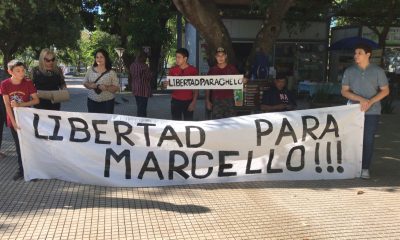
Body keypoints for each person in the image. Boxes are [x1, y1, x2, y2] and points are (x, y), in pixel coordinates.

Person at [341, 43, 389, 179]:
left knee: (368, 140)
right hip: (352, 111)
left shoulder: (378, 71)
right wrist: (361, 99)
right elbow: (344, 91)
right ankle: (350, 166)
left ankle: (365, 168)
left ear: (368, 54)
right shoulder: (349, 71)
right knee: (351, 139)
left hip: (372, 112)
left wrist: (370, 102)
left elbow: (385, 90)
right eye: (355, 53)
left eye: (359, 53)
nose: (356, 55)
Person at [1, 60, 39, 180]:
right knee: (18, 146)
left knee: (29, 145)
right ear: (10, 71)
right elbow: (7, 105)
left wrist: (21, 104)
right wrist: (12, 122)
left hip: (26, 118)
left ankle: (32, 170)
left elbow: (36, 100)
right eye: (18, 71)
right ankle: (21, 170)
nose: (21, 73)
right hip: (13, 119)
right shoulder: (4, 84)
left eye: (23, 70)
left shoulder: (28, 83)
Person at [205, 47, 239, 119]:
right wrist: (207, 101)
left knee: (231, 123)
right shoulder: (212, 70)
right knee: (217, 124)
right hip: (216, 100)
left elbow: (238, 82)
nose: (220, 58)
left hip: (230, 100)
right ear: (215, 57)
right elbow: (207, 86)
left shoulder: (232, 68)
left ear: (226, 56)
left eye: (222, 55)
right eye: (218, 55)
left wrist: (243, 80)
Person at [83, 49, 119, 114]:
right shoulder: (90, 70)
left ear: (106, 58)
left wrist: (107, 88)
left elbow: (116, 88)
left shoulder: (112, 72)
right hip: (92, 102)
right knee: (93, 122)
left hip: (107, 103)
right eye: (97, 57)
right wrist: (90, 85)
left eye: (101, 57)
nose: (99, 59)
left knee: (106, 123)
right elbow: (84, 82)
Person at [166, 48, 198, 121]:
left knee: (188, 123)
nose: (177, 59)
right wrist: (166, 85)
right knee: (176, 124)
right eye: (176, 57)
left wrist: (194, 102)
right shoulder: (172, 70)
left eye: (179, 57)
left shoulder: (193, 70)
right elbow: (169, 86)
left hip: (189, 101)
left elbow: (196, 88)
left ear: (185, 58)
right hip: (175, 101)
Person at [130, 51, 152, 117]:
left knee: (139, 106)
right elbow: (148, 77)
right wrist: (151, 74)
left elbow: (131, 76)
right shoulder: (144, 66)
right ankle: (142, 122)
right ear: (141, 57)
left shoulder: (132, 65)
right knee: (142, 108)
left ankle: (140, 120)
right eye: (145, 57)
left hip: (135, 88)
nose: (146, 59)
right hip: (143, 90)